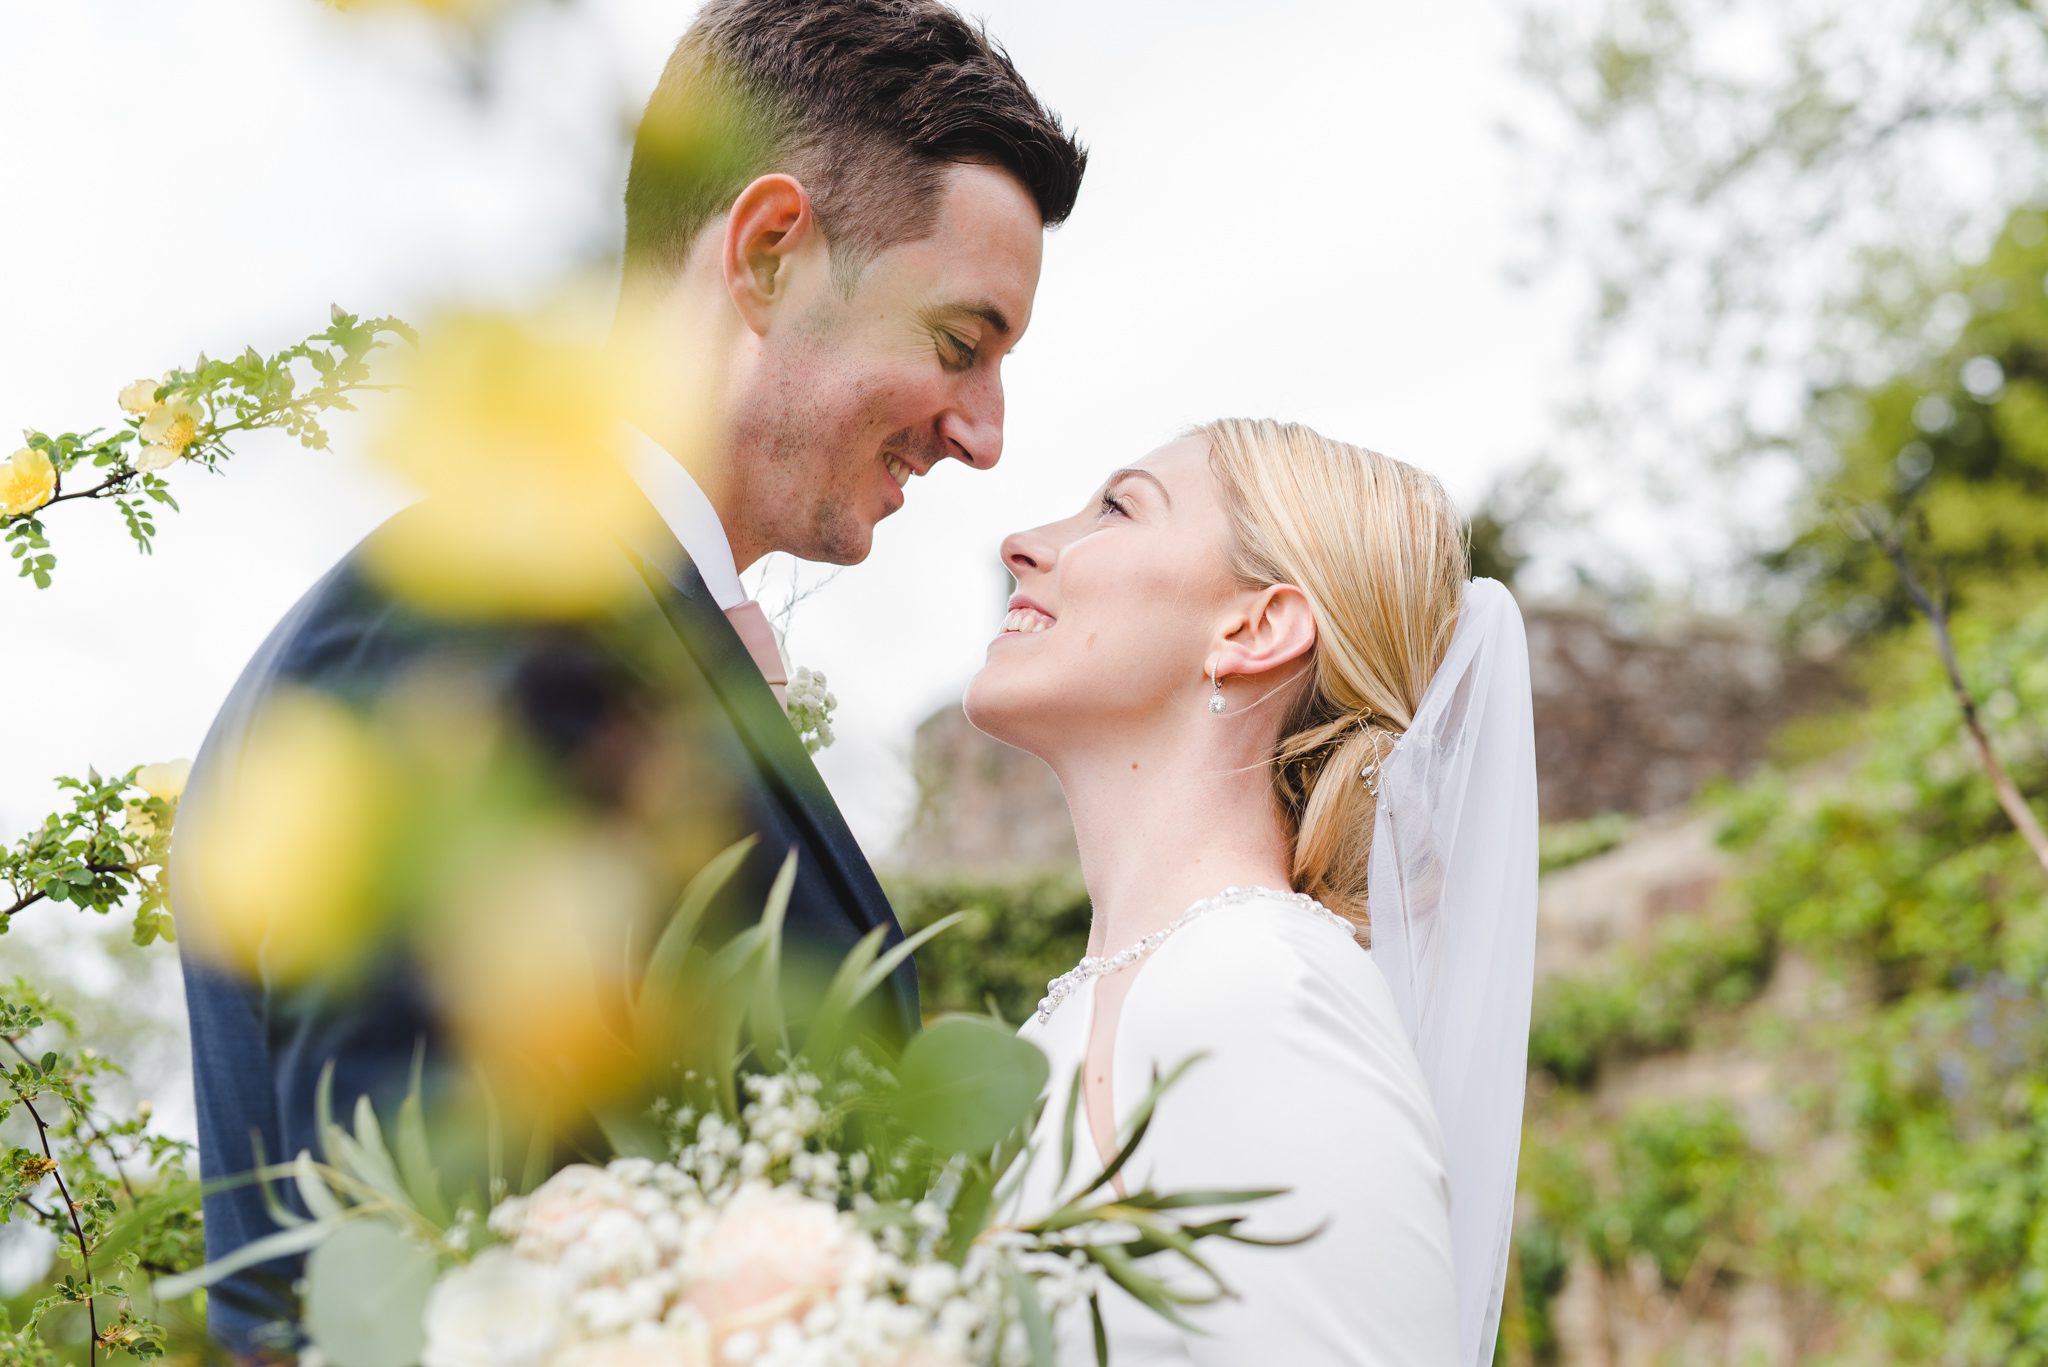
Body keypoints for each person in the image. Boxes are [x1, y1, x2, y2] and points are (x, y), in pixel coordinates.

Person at [170, 0, 1085, 1354]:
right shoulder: (473, 646)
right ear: (770, 253)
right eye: (962, 341)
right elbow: (406, 1290)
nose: (986, 434)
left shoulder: (613, 629)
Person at [969, 418, 1539, 1365]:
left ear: (1255, 627)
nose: (1021, 543)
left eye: (1116, 508)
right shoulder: (1128, 995)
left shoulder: (1263, 992)